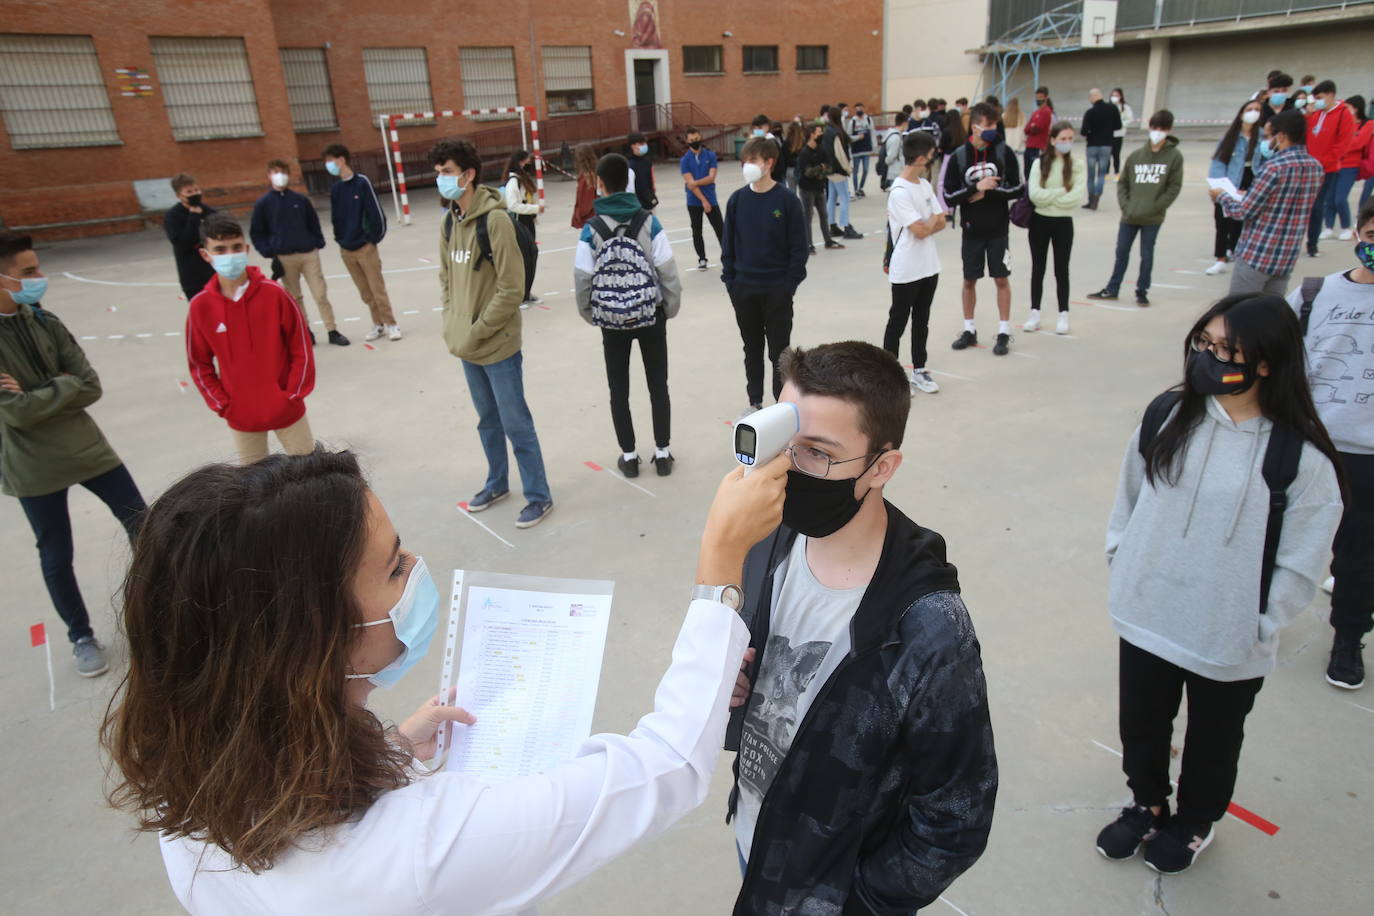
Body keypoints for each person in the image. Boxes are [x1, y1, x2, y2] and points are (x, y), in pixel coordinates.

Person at [102, 443, 791, 914]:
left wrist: (393, 748)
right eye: (394, 567)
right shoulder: (421, 850)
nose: (417, 565)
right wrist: (721, 568)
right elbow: (667, 767)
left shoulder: (190, 777)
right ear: (310, 635)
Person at [727, 341, 997, 911]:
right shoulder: (768, 537)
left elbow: (955, 819)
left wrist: (860, 901)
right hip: (759, 837)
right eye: (784, 443)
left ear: (882, 467)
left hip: (834, 889)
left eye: (818, 454)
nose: (789, 469)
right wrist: (731, 691)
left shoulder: (929, 628)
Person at [1098, 294, 1342, 875]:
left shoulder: (1300, 461)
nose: (1207, 357)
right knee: (1142, 723)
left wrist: (1257, 620)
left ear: (1265, 362)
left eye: (1224, 349)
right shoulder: (1168, 414)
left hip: (1226, 635)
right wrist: (1124, 563)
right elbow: (1128, 497)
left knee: (1213, 741)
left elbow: (1303, 561)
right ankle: (1148, 802)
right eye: (1203, 343)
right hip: (1148, 611)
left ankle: (1193, 821)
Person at [0, 231, 146, 678]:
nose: (39, 278)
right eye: (28, 272)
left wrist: (45, 392)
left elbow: (90, 384)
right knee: (56, 552)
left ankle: (161, 605)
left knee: (143, 521)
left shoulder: (45, 322)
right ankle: (81, 636)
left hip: (87, 448)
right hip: (32, 464)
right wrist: (63, 387)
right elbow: (15, 413)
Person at [431, 138, 553, 529]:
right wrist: (454, 324)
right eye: (438, 173)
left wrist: (478, 330)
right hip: (467, 344)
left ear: (467, 175)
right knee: (487, 420)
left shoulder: (495, 220)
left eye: (447, 172)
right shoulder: (450, 222)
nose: (441, 179)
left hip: (497, 344)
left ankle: (539, 496)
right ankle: (497, 483)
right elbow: (447, 279)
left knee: (516, 422)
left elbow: (511, 289)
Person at [1287, 198, 1374, 689]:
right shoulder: (1315, 294)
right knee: (1274, 535)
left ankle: (1348, 637)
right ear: (1359, 231)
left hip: (1368, 456)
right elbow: (1278, 361)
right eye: (1373, 232)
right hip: (1308, 443)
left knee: (1360, 556)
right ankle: (1256, 616)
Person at [573, 153, 682, 477]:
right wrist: (668, 308)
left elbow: (582, 279)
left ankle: (630, 456)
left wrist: (593, 314)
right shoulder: (649, 222)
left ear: (601, 184)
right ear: (629, 182)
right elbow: (668, 272)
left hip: (612, 322)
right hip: (651, 315)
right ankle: (662, 453)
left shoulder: (591, 229)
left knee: (618, 389)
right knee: (657, 385)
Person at [186, 214, 316, 466]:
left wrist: (292, 395)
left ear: (246, 250)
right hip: (242, 416)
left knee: (310, 473)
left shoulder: (275, 294)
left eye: (236, 248)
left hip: (286, 409)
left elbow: (300, 347)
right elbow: (199, 364)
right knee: (252, 487)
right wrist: (223, 404)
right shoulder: (200, 307)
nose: (230, 255)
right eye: (220, 250)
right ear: (206, 255)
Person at [721, 137, 808, 415]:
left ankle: (781, 405)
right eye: (745, 160)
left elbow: (799, 248)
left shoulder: (787, 201)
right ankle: (754, 402)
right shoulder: (737, 200)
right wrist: (732, 283)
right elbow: (728, 247)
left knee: (780, 352)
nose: (747, 165)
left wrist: (788, 286)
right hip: (744, 288)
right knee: (752, 348)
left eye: (753, 160)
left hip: (776, 290)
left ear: (769, 163)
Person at [943, 101, 1024, 356]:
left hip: (998, 228)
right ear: (975, 126)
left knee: (1001, 278)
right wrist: (975, 189)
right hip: (971, 229)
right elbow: (948, 195)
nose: (993, 129)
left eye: (995, 124)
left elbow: (1018, 188)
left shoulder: (1003, 152)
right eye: (988, 125)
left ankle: (1003, 331)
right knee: (969, 279)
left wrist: (991, 191)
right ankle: (969, 329)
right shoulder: (959, 156)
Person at [1216, 111, 1323, 297]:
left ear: (1281, 136)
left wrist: (1222, 196)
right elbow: (1286, 199)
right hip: (1286, 255)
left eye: (1268, 136)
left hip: (1257, 253)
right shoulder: (1315, 167)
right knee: (1270, 313)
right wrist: (1249, 194)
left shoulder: (1274, 167)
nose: (1267, 141)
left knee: (1239, 311)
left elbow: (1243, 211)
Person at [1087, 110, 1184, 308]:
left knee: (1146, 254)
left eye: (1162, 129)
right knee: (1121, 252)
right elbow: (1123, 183)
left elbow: (1174, 187)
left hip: (1152, 217)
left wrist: (1157, 206)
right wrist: (1125, 205)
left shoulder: (1174, 157)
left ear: (1169, 130)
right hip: (1129, 214)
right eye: (1155, 128)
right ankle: (1112, 288)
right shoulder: (1136, 155)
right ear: (1150, 127)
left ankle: (1142, 290)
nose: (1157, 132)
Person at [249, 159, 347, 347]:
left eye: (283, 171)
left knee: (320, 293)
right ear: (269, 175)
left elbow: (313, 223)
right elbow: (257, 232)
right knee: (295, 297)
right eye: (276, 172)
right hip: (285, 257)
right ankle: (305, 331)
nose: (280, 175)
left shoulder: (300, 200)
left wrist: (317, 242)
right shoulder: (263, 204)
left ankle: (332, 330)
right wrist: (269, 252)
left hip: (308, 253)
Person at [883, 132, 945, 394]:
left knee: (922, 319)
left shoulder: (924, 185)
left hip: (929, 266)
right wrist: (929, 221)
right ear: (921, 158)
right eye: (931, 156)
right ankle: (889, 376)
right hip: (906, 268)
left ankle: (919, 369)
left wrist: (927, 222)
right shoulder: (899, 192)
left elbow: (941, 220)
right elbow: (920, 230)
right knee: (898, 320)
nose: (932, 161)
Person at [322, 144, 399, 342]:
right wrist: (340, 240)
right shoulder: (336, 189)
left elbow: (377, 213)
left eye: (330, 160)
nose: (328, 165)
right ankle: (377, 323)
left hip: (365, 247)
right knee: (365, 291)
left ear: (341, 160)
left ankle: (392, 324)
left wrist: (372, 239)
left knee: (377, 288)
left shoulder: (362, 182)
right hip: (346, 248)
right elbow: (336, 218)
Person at [1025, 121, 1085, 335]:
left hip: (1063, 223)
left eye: (1070, 139)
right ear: (1052, 140)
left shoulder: (1077, 165)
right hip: (1040, 221)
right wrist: (1060, 192)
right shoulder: (1039, 163)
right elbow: (1034, 195)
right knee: (1037, 269)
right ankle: (1035, 313)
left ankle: (1063, 313)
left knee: (1061, 270)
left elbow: (1075, 197)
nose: (1066, 143)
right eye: (1062, 139)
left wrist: (1050, 198)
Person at [1205, 100, 1265, 276]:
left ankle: (1238, 254)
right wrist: (1220, 188)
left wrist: (1254, 189)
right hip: (1230, 182)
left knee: (1242, 222)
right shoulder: (1230, 137)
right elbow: (1218, 163)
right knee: (1222, 221)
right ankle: (1221, 259)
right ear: (1241, 113)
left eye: (1257, 110)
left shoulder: (1263, 138)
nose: (1253, 113)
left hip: (1251, 181)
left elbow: (1266, 164)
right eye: (1249, 109)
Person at [1306, 80, 1357, 255]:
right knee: (1304, 205)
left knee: (1317, 205)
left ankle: (1312, 244)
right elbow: (1306, 135)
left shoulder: (1344, 115)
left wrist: (1322, 163)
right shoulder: (1315, 114)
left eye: (1320, 98)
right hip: (1308, 166)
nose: (1318, 101)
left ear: (1331, 95)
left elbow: (1342, 145)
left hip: (1326, 169)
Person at [163, 173, 216, 302]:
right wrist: (194, 217)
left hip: (215, 270)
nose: (194, 194)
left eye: (196, 190)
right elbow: (182, 244)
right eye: (189, 192)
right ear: (179, 196)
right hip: (193, 276)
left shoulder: (209, 212)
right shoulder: (172, 216)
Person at [503, 150, 545, 306]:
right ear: (521, 162)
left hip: (528, 222)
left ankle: (526, 292)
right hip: (520, 223)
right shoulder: (513, 181)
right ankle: (519, 296)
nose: (531, 163)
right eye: (528, 160)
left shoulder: (522, 179)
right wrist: (535, 209)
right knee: (523, 259)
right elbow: (513, 205)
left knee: (531, 257)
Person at [1325, 95, 1369, 241]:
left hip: (1351, 166)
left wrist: (1341, 144)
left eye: (1347, 108)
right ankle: (1328, 227)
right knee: (1329, 198)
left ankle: (1346, 227)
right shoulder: (1342, 123)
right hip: (1335, 164)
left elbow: (1358, 143)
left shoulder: (1367, 124)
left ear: (1355, 109)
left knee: (1340, 198)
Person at [680, 126, 723, 271]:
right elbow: (690, 184)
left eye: (697, 139)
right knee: (696, 230)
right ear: (687, 141)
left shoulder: (710, 155)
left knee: (720, 228)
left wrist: (696, 183)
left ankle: (728, 255)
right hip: (694, 200)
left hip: (711, 198)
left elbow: (711, 178)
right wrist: (703, 200)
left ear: (700, 137)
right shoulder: (685, 160)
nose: (695, 142)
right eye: (691, 140)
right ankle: (702, 258)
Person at [797, 122, 840, 253]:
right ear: (811, 134)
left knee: (824, 215)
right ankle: (808, 244)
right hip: (807, 189)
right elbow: (807, 172)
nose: (821, 135)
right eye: (819, 132)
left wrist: (821, 170)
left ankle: (828, 240)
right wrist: (820, 168)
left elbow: (829, 167)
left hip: (819, 187)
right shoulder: (804, 152)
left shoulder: (821, 150)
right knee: (808, 217)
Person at [824, 109, 863, 241]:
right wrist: (847, 168)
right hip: (838, 170)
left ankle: (832, 225)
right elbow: (840, 153)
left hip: (829, 169)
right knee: (844, 198)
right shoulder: (836, 133)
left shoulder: (826, 131)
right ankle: (846, 226)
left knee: (832, 198)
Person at [1082, 89, 1123, 210]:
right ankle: (1097, 197)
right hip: (1106, 145)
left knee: (1091, 175)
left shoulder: (1090, 112)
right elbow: (1118, 126)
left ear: (1092, 98)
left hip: (1092, 146)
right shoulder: (1112, 109)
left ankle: (1090, 199)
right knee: (1101, 174)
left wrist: (1091, 132)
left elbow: (1084, 131)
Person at [1023, 86, 1054, 175]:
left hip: (1038, 147)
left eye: (1040, 98)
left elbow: (1038, 128)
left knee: (1034, 172)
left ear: (1046, 98)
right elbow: (1027, 129)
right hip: (1029, 146)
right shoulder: (1036, 112)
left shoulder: (1047, 112)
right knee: (1027, 172)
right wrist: (1032, 127)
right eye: (1037, 98)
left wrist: (1033, 127)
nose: (1038, 100)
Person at [625, 132, 659, 212]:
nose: (644, 145)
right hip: (635, 202)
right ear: (633, 145)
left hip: (648, 199)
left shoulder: (647, 162)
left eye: (644, 143)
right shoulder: (628, 164)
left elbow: (651, 181)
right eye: (641, 143)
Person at [848, 101, 875, 198]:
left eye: (861, 108)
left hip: (866, 149)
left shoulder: (868, 119)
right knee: (855, 171)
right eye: (857, 109)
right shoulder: (853, 121)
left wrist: (874, 145)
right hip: (856, 150)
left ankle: (861, 187)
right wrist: (857, 137)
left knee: (866, 169)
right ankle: (855, 189)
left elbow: (872, 132)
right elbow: (849, 136)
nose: (859, 110)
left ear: (864, 109)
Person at [571, 143, 599, 229]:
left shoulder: (586, 177)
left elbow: (586, 203)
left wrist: (578, 215)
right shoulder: (596, 172)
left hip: (590, 218)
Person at [878, 111, 906, 192]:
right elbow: (891, 156)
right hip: (894, 171)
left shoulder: (894, 134)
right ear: (904, 123)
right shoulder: (895, 137)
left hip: (895, 171)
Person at [1110, 89, 1134, 178]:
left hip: (1119, 134)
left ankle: (1116, 173)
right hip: (1108, 134)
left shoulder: (1125, 107)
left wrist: (1121, 124)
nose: (1114, 97)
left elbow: (1130, 119)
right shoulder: (1109, 106)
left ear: (1121, 96)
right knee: (1107, 154)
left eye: (1116, 95)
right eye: (1113, 95)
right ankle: (1106, 173)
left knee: (1116, 154)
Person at [782, 120, 806, 193]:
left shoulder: (786, 143)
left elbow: (785, 158)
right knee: (803, 191)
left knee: (792, 191)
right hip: (802, 169)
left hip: (790, 169)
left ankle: (793, 204)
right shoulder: (803, 142)